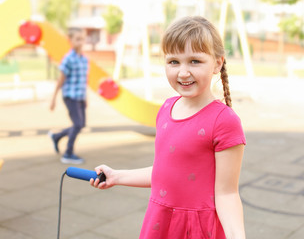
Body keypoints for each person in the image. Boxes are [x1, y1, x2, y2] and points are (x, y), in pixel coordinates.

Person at [91, 16, 246, 239]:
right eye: (174, 62)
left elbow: (228, 194)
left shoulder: (224, 121)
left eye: (195, 61)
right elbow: (165, 172)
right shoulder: (165, 109)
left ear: (217, 63)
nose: (183, 72)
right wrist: (117, 176)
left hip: (196, 229)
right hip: (159, 222)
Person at [48, 28, 89, 164]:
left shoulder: (84, 59)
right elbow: (60, 80)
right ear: (70, 40)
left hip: (80, 97)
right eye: (77, 39)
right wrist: (53, 98)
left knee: (81, 124)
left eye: (82, 38)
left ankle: (56, 136)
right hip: (70, 96)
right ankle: (68, 153)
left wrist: (86, 98)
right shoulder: (68, 59)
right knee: (77, 124)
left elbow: (84, 80)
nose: (81, 42)